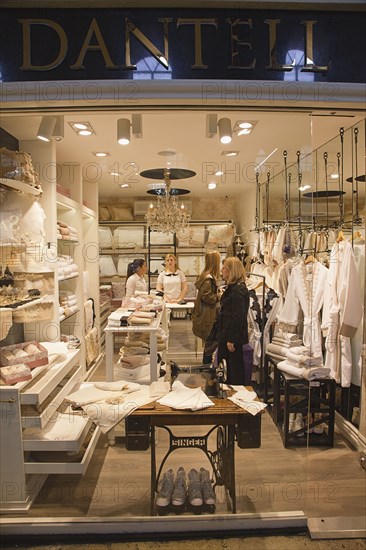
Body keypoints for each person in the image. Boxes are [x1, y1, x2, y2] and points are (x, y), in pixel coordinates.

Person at [216, 256, 249, 385]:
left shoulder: (237, 291)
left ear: (231, 271)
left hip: (231, 336)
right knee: (227, 366)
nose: (221, 270)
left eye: (224, 268)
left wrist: (232, 339)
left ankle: (235, 394)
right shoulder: (234, 288)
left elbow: (238, 317)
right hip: (227, 334)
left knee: (233, 367)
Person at [191, 251, 221, 364]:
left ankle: (207, 367)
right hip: (208, 315)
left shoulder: (206, 276)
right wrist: (219, 296)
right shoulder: (208, 279)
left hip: (206, 314)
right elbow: (207, 297)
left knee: (210, 344)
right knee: (210, 343)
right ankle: (207, 369)